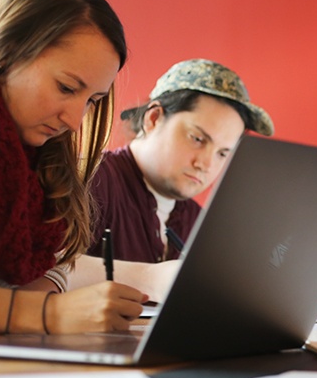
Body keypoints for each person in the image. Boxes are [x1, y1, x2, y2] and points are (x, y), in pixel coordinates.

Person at [0, 0, 148, 334]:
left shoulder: (38, 158)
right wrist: (50, 313)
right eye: (66, 87)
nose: (76, 121)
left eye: (92, 100)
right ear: (7, 53)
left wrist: (57, 294)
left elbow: (43, 268)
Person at [66, 59, 274, 300]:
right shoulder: (88, 178)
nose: (206, 164)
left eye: (222, 153)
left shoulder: (199, 223)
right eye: (197, 139)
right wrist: (148, 279)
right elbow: (37, 270)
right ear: (153, 118)